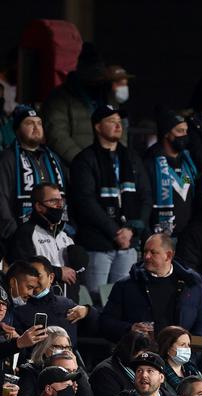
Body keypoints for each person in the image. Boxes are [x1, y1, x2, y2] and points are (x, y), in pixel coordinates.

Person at [70, 104, 149, 298]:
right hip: (98, 244)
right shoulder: (85, 159)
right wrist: (115, 232)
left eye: (119, 121)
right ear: (97, 126)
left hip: (128, 243)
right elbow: (85, 202)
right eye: (111, 121)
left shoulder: (131, 157)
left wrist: (131, 231)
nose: (118, 125)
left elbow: (146, 196)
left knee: (124, 299)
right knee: (97, 299)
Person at [101, 231, 202, 340]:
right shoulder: (125, 286)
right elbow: (105, 322)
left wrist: (189, 343)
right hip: (140, 354)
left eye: (153, 252)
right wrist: (130, 329)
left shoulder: (192, 284)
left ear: (168, 255)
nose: (147, 257)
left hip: (182, 355)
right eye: (145, 252)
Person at [0, 105, 69, 235]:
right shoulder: (5, 159)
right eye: (29, 123)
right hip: (20, 235)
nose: (36, 127)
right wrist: (14, 233)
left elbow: (67, 195)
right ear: (17, 130)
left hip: (55, 235)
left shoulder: (53, 158)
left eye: (39, 123)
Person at [8, 183, 81, 294]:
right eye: (53, 201)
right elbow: (23, 268)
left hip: (68, 303)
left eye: (60, 201)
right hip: (40, 303)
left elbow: (73, 271)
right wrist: (58, 273)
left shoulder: (65, 233)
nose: (59, 205)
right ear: (39, 206)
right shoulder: (26, 232)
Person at [7, 257, 89, 345]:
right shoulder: (18, 307)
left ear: (51, 278)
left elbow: (95, 325)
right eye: (30, 275)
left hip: (68, 356)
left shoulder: (66, 304)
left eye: (37, 275)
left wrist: (87, 310)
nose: (34, 281)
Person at [143, 109, 197, 238]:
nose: (184, 135)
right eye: (179, 131)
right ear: (167, 133)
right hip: (160, 237)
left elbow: (187, 187)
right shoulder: (150, 162)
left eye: (186, 131)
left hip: (188, 236)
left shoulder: (187, 163)